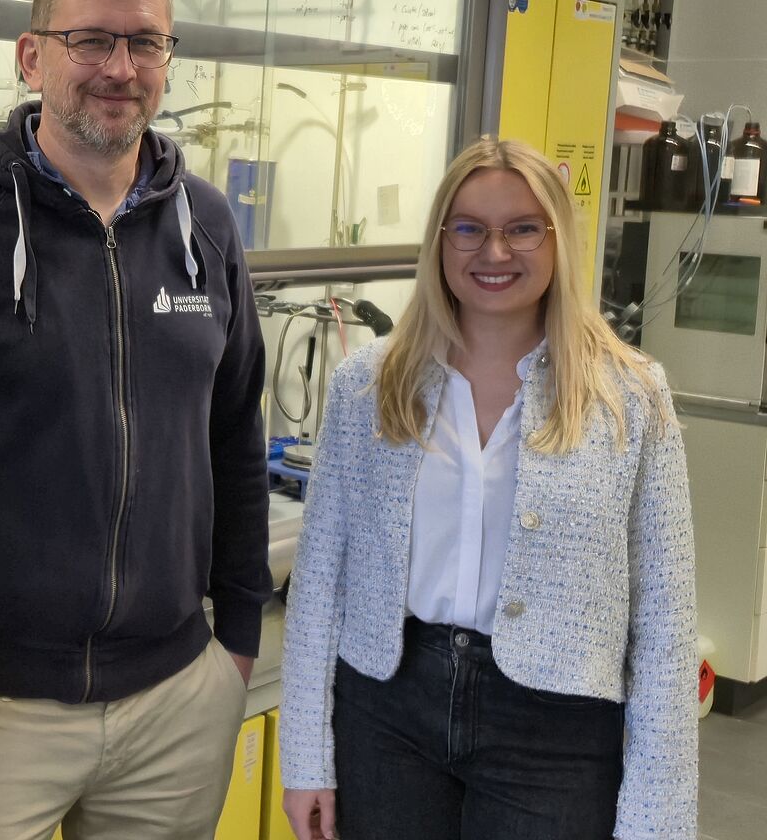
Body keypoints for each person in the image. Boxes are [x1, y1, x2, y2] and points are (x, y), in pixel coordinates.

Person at [0, 0, 270, 839]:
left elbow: (235, 438)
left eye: (145, 43)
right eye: (91, 40)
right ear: (33, 57)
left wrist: (237, 642)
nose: (120, 69)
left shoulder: (208, 227)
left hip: (175, 700)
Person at [279, 138, 698, 840]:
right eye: (469, 228)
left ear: (557, 239)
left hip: (555, 730)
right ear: (441, 241)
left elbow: (665, 618)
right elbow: (321, 581)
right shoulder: (370, 385)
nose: (494, 252)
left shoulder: (629, 396)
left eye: (523, 228)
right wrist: (305, 757)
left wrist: (659, 818)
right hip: (387, 709)